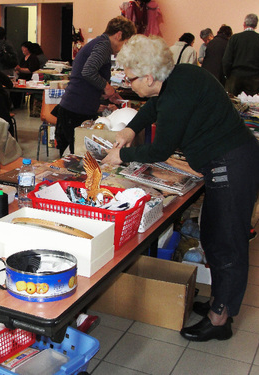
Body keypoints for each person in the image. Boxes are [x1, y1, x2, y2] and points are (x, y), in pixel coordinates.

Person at [102, 35, 259, 342]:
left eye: (130, 78)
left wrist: (121, 154)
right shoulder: (176, 77)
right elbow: (153, 107)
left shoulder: (177, 93)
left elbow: (159, 150)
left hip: (232, 164)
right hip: (226, 161)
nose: (128, 83)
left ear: (148, 76)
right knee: (214, 234)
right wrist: (131, 130)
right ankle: (219, 303)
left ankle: (220, 319)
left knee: (228, 242)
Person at [54, 16, 136, 155]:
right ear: (119, 35)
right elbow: (88, 71)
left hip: (77, 107)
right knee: (77, 154)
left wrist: (107, 94)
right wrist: (107, 87)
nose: (123, 48)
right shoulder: (103, 45)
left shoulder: (101, 44)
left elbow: (89, 77)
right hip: (75, 109)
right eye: (125, 43)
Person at [223, 13, 259, 96]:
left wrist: (227, 75)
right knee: (251, 106)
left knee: (232, 104)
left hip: (235, 77)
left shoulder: (235, 38)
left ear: (244, 24)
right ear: (256, 25)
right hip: (254, 79)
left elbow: (226, 60)